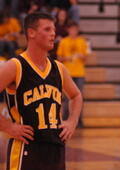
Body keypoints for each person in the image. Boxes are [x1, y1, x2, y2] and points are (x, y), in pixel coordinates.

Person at [0, 12, 82, 170]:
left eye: (53, 30)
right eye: (47, 29)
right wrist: (8, 127)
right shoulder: (15, 66)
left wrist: (72, 121)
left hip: (55, 148)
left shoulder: (59, 68)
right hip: (26, 148)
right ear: (31, 33)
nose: (53, 34)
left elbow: (76, 96)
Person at [57, 21, 89, 128]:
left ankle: (79, 120)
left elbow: (86, 58)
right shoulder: (64, 42)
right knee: (66, 98)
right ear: (68, 30)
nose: (74, 31)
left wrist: (81, 56)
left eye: (75, 29)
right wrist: (67, 58)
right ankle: (66, 118)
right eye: (72, 29)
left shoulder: (82, 41)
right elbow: (59, 58)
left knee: (79, 97)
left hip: (79, 73)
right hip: (68, 73)